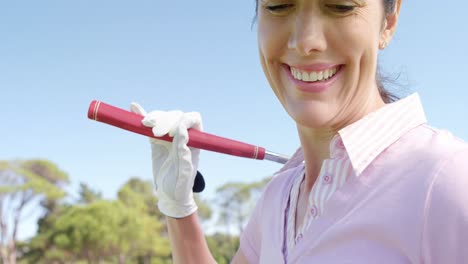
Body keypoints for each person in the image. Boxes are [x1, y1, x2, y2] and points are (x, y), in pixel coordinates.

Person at [131, 0, 468, 263]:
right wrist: (179, 208)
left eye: (340, 6)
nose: (305, 41)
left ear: (388, 21)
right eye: (278, 5)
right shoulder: (279, 195)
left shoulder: (449, 180)